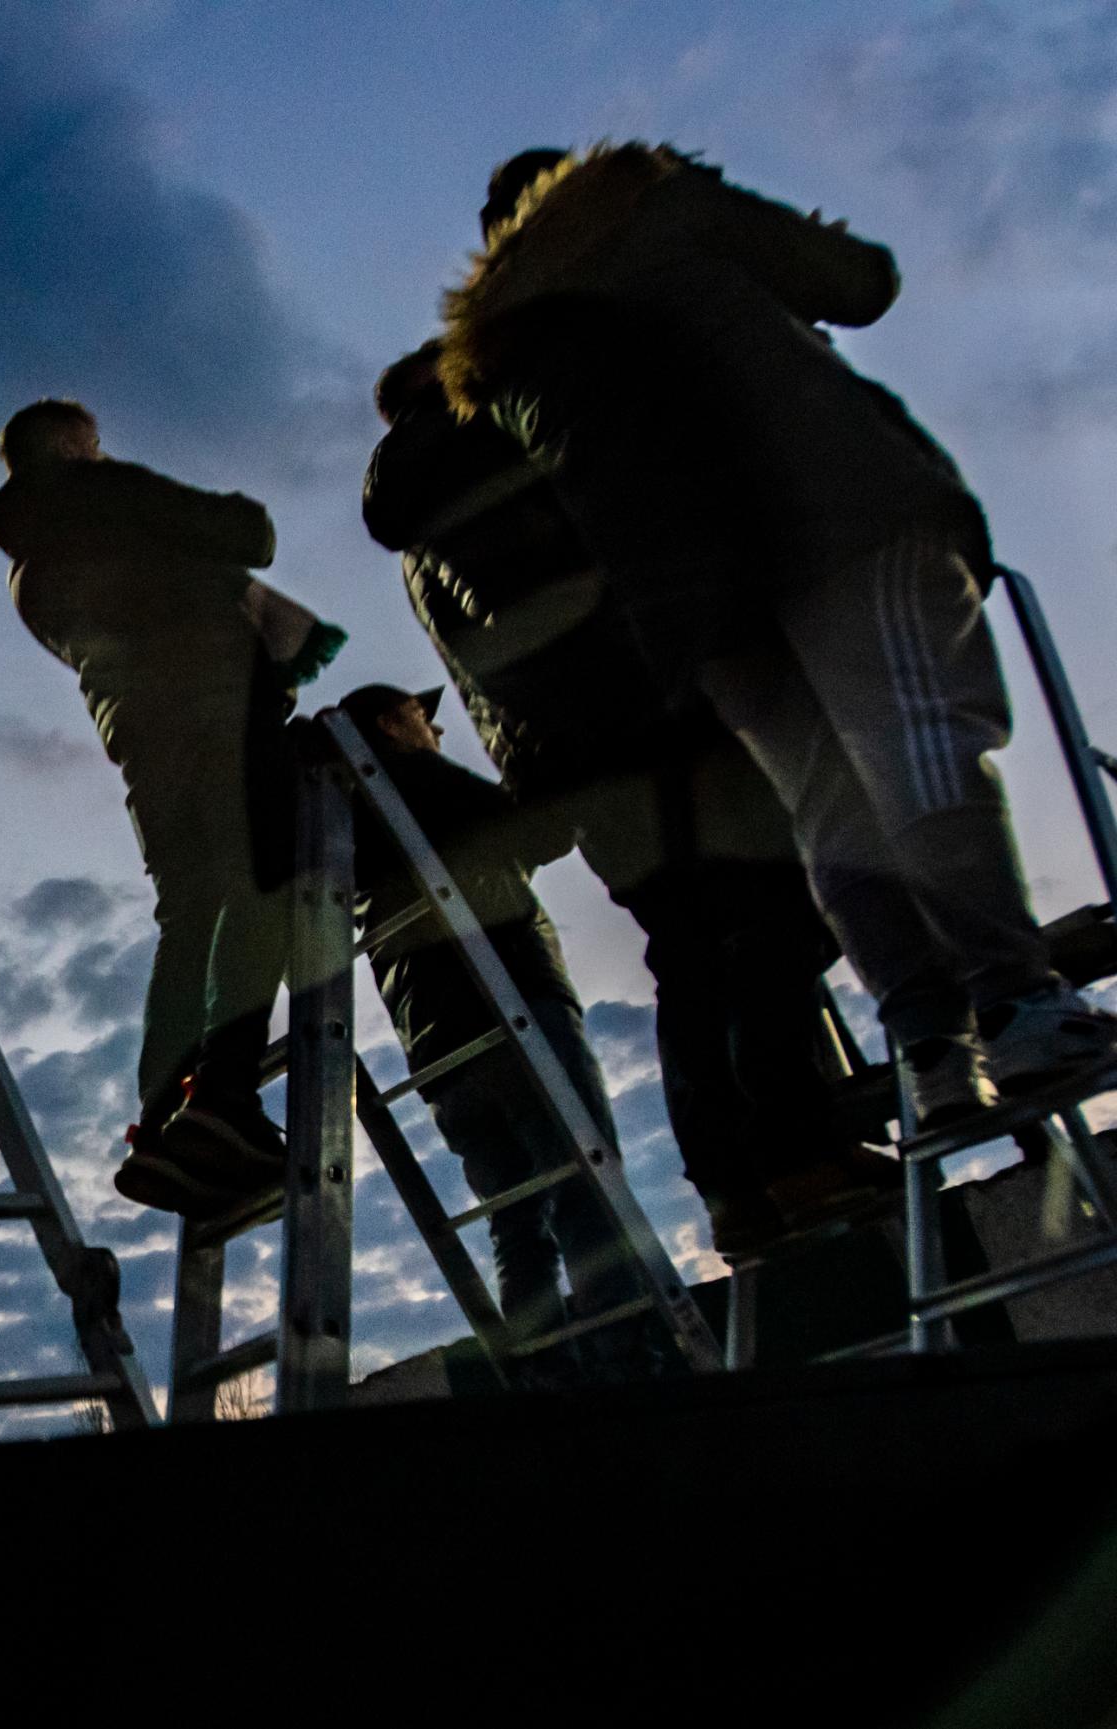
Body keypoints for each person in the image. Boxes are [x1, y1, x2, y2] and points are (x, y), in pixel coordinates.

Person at [438, 142, 1117, 1126]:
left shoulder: (503, 349)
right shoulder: (652, 206)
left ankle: (929, 1048)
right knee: (921, 748)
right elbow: (859, 282)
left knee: (831, 816)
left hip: (697, 604)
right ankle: (1016, 1004)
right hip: (838, 516)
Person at [363, 339, 895, 1259]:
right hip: (651, 715)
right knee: (772, 910)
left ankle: (734, 1186)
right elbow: (596, 571)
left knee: (687, 950)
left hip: (571, 765)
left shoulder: (415, 521)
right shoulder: (488, 441)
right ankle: (796, 1150)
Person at [0, 397, 345, 1218]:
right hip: (217, 698)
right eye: (93, 442)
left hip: (141, 737)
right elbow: (247, 531)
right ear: (68, 445)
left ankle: (161, 1118)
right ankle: (223, 1098)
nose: (102, 452)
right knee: (265, 880)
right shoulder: (98, 489)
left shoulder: (27, 570)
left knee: (189, 910)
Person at [339, 683, 644, 1365]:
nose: (437, 731)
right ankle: (631, 1360)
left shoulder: (352, 827)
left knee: (516, 1222)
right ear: (389, 725)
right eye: (421, 716)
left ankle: (542, 1374)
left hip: (440, 1056)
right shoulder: (417, 779)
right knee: (586, 1187)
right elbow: (540, 831)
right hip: (512, 1008)